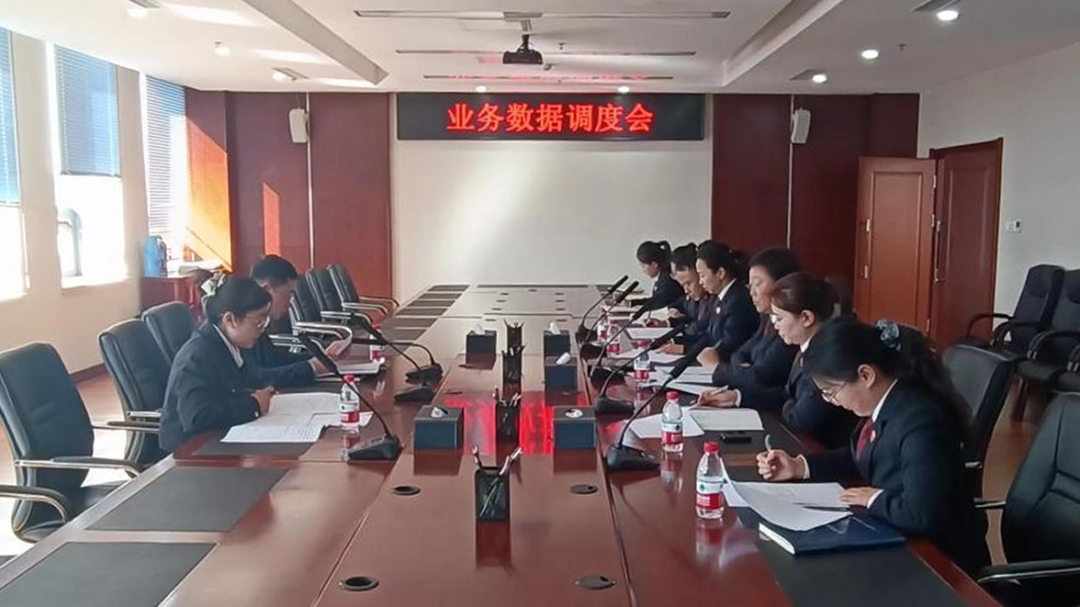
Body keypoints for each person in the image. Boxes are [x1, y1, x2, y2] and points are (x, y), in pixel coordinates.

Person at [755, 318, 990, 572]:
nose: (831, 401)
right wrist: (799, 466)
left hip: (941, 562)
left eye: (831, 391)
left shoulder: (921, 420)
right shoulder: (886, 402)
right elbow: (862, 455)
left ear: (866, 375)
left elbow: (923, 515)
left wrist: (873, 498)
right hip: (899, 537)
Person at [698, 272, 857, 448]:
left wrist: (786, 401)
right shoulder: (805, 347)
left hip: (820, 448)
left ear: (806, 318)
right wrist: (737, 397)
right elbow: (786, 396)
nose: (774, 323)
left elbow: (799, 418)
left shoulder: (827, 356)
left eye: (779, 317)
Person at [160, 275, 278, 452]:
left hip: (218, 437)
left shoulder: (230, 342)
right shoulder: (198, 356)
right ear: (230, 320)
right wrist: (253, 405)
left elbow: (246, 380)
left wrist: (261, 390)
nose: (263, 328)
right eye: (259, 321)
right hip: (188, 452)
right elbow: (196, 417)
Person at [248, 255, 349, 387]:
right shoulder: (242, 321)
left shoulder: (257, 319)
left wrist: (322, 357)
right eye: (289, 294)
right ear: (266, 290)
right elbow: (255, 379)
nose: (291, 302)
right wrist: (312, 367)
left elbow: (274, 359)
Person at [709, 247, 801, 392]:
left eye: (757, 284)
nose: (752, 292)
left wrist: (716, 368)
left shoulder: (791, 327)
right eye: (750, 286)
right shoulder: (767, 318)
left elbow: (762, 377)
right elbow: (740, 353)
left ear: (782, 283)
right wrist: (744, 369)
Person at [694, 240, 758, 366]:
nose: (700, 282)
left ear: (720, 273)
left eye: (702, 275)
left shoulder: (738, 300)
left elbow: (730, 344)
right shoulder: (720, 297)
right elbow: (708, 334)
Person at [661, 243, 713, 354]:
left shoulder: (714, 300)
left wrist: (681, 346)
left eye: (688, 283)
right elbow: (688, 318)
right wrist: (666, 323)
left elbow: (700, 330)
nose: (686, 290)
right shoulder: (695, 296)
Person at [636, 240, 682, 311]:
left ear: (654, 264)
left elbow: (656, 303)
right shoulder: (662, 277)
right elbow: (654, 300)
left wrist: (636, 305)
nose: (643, 271)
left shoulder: (667, 281)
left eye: (643, 266)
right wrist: (633, 303)